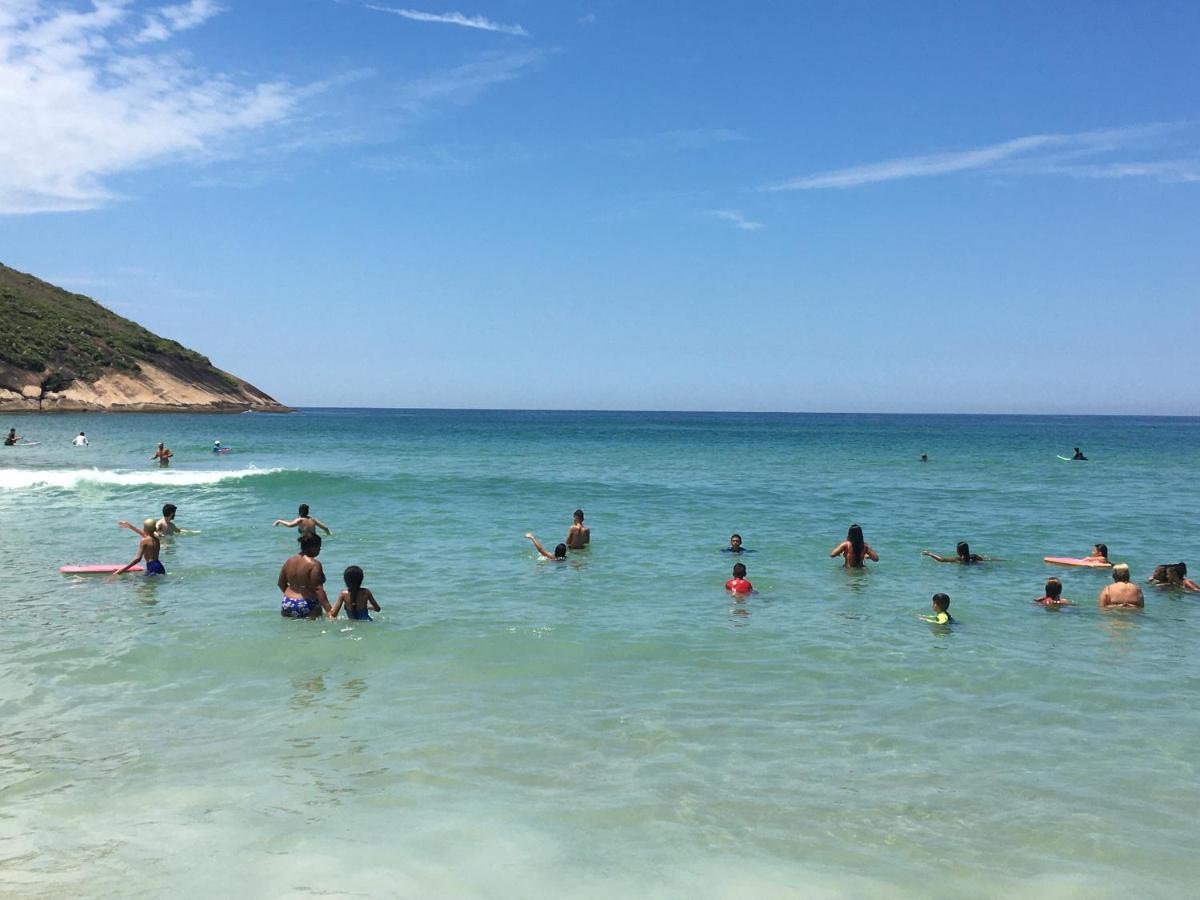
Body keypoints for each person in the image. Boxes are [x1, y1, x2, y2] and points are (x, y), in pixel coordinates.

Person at [278, 533, 333, 619]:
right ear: (312, 547)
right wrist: (330, 611)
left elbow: (281, 583)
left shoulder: (289, 561)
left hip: (287, 602)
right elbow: (318, 590)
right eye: (319, 547)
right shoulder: (314, 564)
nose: (319, 549)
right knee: (313, 632)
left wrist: (292, 599)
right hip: (307, 603)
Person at [922, 542, 1000, 564]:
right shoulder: (974, 556)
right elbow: (988, 559)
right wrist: (998, 560)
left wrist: (929, 553)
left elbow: (942, 560)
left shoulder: (959, 559)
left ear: (958, 551)